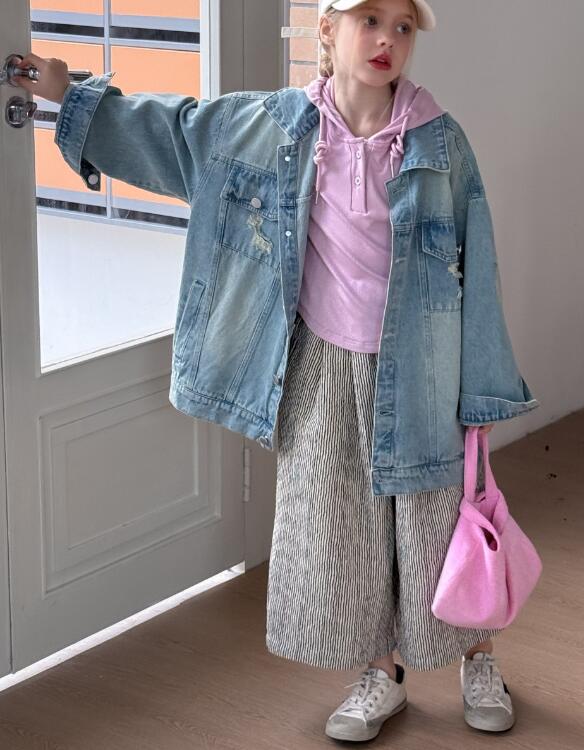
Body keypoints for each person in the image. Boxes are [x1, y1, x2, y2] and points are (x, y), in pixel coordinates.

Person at [13, 0, 537, 740]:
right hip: (320, 365)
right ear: (327, 28)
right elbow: (173, 133)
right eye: (369, 19)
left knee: (436, 524)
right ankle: (380, 673)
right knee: (344, 528)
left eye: (403, 26)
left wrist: (480, 389)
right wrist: (69, 94)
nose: (387, 39)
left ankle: (477, 658)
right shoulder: (268, 128)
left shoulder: (439, 142)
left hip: (421, 367)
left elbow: (476, 267)